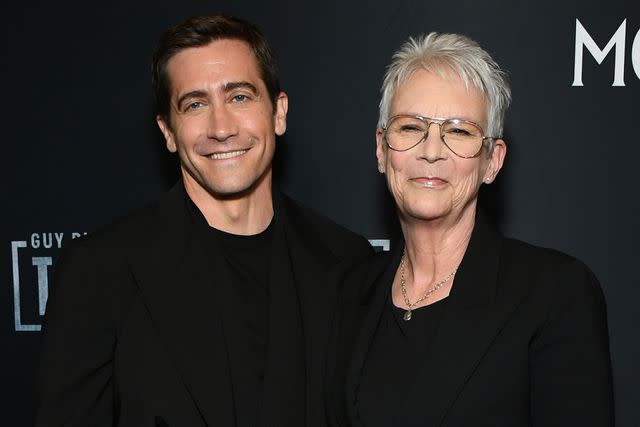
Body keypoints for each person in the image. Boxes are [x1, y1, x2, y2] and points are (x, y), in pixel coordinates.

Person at [34, 14, 372, 426]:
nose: (221, 128)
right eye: (195, 104)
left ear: (278, 113)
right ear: (168, 132)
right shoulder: (101, 271)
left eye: (239, 97)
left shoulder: (349, 265)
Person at [329, 33, 614, 426]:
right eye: (410, 127)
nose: (431, 150)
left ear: (492, 161)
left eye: (459, 131)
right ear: (382, 149)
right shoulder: (349, 294)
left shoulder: (554, 294)